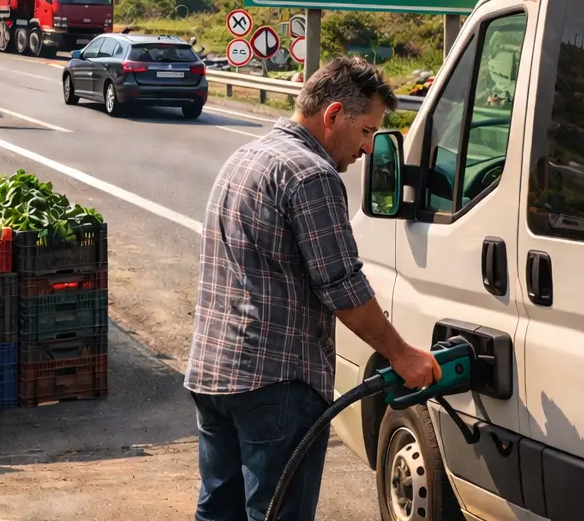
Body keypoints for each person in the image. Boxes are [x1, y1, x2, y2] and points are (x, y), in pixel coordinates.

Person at [185, 56, 441, 521]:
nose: (367, 149)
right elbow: (341, 285)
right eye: (365, 131)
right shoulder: (312, 174)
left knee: (217, 513)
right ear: (334, 115)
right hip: (275, 385)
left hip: (212, 374)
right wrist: (401, 355)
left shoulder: (245, 157)